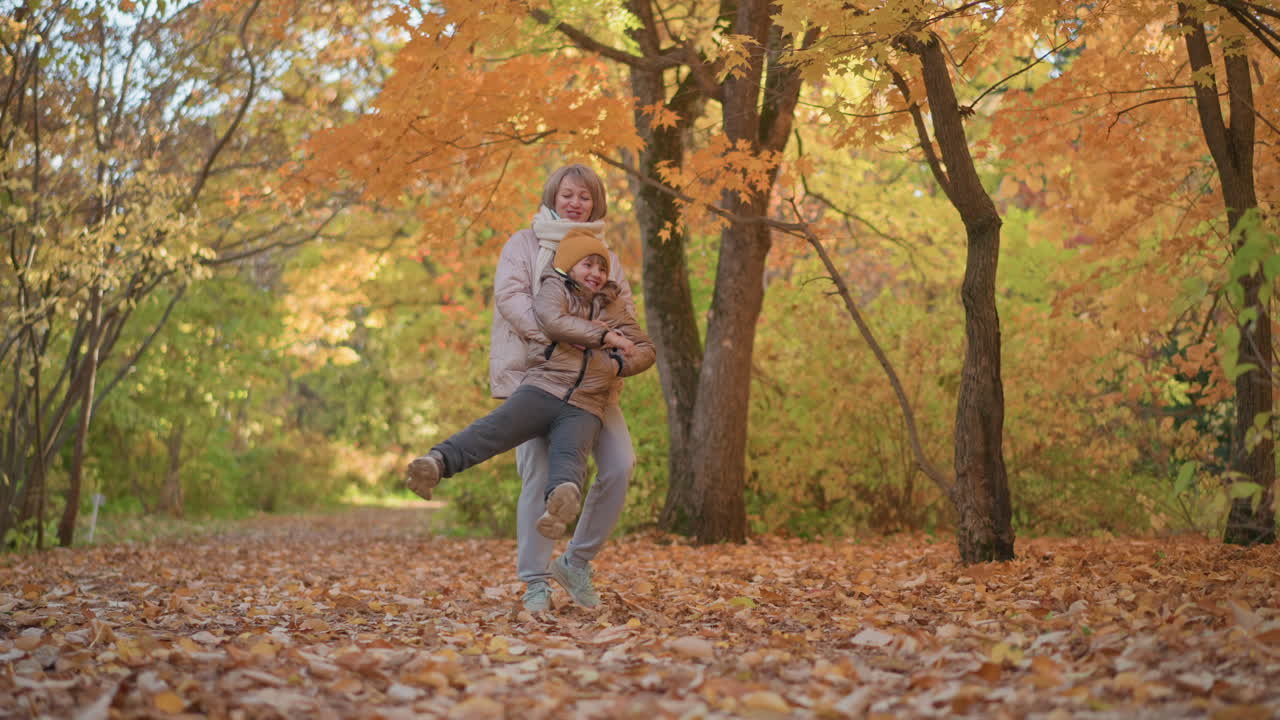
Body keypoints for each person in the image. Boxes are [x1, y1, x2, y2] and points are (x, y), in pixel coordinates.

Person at [409, 186, 651, 610]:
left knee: (602, 465)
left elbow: (636, 337)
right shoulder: (534, 256)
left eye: (585, 196)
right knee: (519, 456)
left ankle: (575, 562)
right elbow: (523, 305)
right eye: (568, 194)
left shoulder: (609, 283)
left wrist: (614, 364)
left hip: (592, 396)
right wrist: (567, 341)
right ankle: (534, 581)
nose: (576, 202)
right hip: (538, 379)